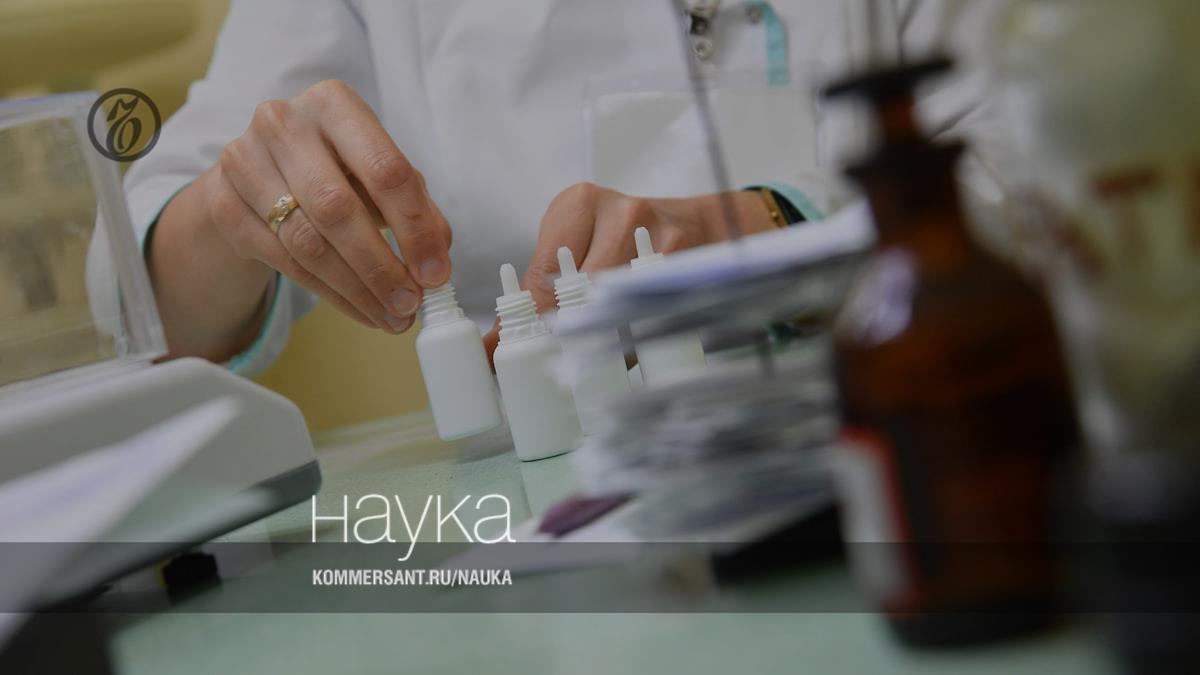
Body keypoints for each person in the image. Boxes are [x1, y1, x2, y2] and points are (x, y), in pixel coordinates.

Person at [125, 0, 1005, 375]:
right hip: (557, 504)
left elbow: (1038, 163)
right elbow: (141, 311)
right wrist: (233, 207)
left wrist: (777, 226)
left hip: (928, 394)